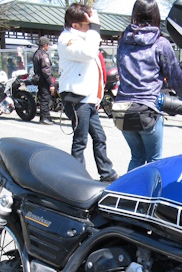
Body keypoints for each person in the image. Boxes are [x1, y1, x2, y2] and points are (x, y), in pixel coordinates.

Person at [115, 0, 182, 172]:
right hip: (146, 109)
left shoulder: (123, 39)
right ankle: (150, 190)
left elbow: (121, 70)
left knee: (137, 157)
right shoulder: (160, 43)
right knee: (154, 159)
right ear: (155, 15)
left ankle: (130, 189)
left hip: (122, 109)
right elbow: (175, 76)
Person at [57, 3, 118, 182]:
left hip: (88, 99)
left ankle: (106, 172)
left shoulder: (82, 38)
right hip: (77, 99)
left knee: (99, 137)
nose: (91, 27)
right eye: (87, 24)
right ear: (75, 25)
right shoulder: (67, 39)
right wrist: (95, 27)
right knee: (80, 140)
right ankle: (77, 177)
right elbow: (89, 53)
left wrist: (97, 97)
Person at [33, 36, 56, 125]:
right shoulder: (43, 55)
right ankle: (45, 118)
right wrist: (51, 83)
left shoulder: (37, 53)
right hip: (44, 79)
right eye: (48, 45)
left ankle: (46, 117)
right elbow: (46, 70)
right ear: (45, 45)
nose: (48, 46)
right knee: (45, 99)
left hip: (39, 78)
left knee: (43, 98)